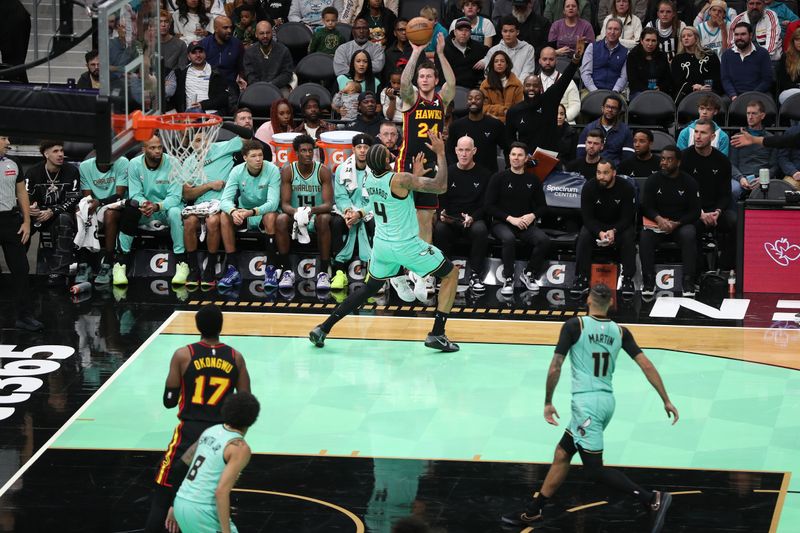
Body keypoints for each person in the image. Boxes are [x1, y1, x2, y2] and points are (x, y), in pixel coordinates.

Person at [501, 283, 678, 530]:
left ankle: (652, 499)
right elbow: (646, 365)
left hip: (587, 407)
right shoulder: (621, 331)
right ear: (611, 304)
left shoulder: (575, 325)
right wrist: (665, 399)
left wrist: (548, 401)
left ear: (588, 299)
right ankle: (534, 511)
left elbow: (555, 366)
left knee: (594, 470)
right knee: (563, 453)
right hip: (606, 402)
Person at [309, 132, 461, 352]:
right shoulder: (399, 179)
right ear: (388, 160)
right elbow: (441, 186)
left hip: (381, 246)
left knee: (370, 288)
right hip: (406, 245)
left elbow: (399, 193)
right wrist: (440, 153)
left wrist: (414, 175)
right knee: (450, 274)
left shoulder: (370, 180)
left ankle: (324, 327)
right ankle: (437, 333)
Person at [145, 304, 250, 533]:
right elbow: (244, 403)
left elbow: (169, 400)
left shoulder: (184, 355)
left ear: (197, 326)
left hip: (188, 432)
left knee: (163, 493)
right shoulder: (235, 357)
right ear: (221, 326)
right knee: (209, 491)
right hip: (220, 436)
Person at [397, 32, 456, 278]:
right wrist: (415, 52)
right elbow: (403, 83)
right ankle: (400, 270)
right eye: (421, 76)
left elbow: (452, 83)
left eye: (428, 76)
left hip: (432, 165)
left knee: (425, 221)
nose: (423, 79)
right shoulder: (411, 99)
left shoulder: (441, 100)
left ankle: (422, 273)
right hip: (408, 164)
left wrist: (441, 54)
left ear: (435, 79)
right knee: (402, 221)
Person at [182, 120, 257, 287]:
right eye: (198, 140)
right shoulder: (188, 162)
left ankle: (209, 266)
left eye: (205, 140)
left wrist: (223, 123)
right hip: (200, 204)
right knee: (189, 221)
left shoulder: (223, 148)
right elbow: (187, 194)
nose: (202, 144)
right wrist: (208, 185)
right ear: (191, 144)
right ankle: (193, 267)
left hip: (221, 202)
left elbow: (248, 135)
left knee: (213, 221)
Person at [171, 391, 260, 533]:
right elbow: (221, 492)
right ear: (253, 418)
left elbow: (180, 466)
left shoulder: (210, 431)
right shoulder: (240, 448)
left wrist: (173, 506)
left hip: (181, 502)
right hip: (202, 510)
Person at [115, 135, 189, 287]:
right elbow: (135, 194)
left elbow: (175, 197)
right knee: (129, 211)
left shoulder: (173, 163)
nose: (157, 151)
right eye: (152, 148)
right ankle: (120, 263)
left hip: (165, 209)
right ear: (144, 149)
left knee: (175, 212)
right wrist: (146, 205)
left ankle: (182, 262)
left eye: (159, 147)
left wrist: (156, 206)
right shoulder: (134, 164)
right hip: (146, 209)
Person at [485, 142, 551, 295]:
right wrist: (510, 218)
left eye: (520, 155)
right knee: (508, 238)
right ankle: (508, 278)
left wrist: (532, 215)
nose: (516, 158)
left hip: (524, 224)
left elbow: (543, 207)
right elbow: (488, 206)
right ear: (508, 157)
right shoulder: (498, 177)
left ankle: (528, 274)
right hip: (501, 223)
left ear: (526, 158)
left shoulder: (533, 180)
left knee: (544, 240)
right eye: (513, 154)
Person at [217, 139, 282, 288]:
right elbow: (225, 200)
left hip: (262, 213)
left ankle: (271, 269)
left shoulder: (272, 169)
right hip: (244, 212)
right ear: (245, 158)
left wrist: (252, 212)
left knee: (271, 215)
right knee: (224, 215)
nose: (258, 159)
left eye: (260, 155)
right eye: (253, 156)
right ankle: (232, 268)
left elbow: (273, 203)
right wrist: (233, 212)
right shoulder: (237, 171)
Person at [639, 145, 701, 297]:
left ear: (678, 162)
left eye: (669, 159)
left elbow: (695, 212)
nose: (664, 163)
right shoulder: (653, 180)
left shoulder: (689, 182)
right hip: (658, 225)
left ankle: (688, 281)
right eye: (663, 159)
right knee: (645, 236)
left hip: (680, 225)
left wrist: (677, 223)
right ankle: (648, 280)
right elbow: (646, 206)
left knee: (689, 233)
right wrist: (658, 219)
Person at [275, 134, 334, 290]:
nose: (308, 154)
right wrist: (296, 213)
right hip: (295, 216)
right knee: (280, 219)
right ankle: (287, 271)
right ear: (296, 152)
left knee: (323, 219)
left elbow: (328, 204)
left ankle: (323, 273)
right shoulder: (289, 171)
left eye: (310, 150)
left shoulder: (323, 171)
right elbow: (284, 204)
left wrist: (311, 210)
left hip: (316, 215)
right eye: (304, 151)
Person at [572, 158, 638, 296]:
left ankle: (627, 279)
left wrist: (614, 231)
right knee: (584, 235)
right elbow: (587, 218)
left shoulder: (626, 188)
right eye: (598, 173)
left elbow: (627, 218)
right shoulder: (589, 187)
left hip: (619, 226)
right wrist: (600, 232)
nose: (601, 177)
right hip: (596, 226)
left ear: (614, 173)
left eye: (605, 173)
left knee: (628, 235)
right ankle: (582, 278)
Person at [434, 136, 491, 292]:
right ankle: (443, 273)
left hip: (473, 218)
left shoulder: (485, 174)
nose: (464, 154)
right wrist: (442, 213)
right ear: (455, 151)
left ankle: (475, 275)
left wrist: (473, 217)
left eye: (467, 150)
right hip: (451, 219)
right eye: (461, 150)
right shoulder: (448, 172)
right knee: (439, 229)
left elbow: (486, 205)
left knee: (480, 230)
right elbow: (441, 200)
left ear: (474, 151)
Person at [680, 119, 737, 273]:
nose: (698, 136)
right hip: (693, 211)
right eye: (696, 132)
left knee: (736, 222)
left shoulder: (723, 161)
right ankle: (700, 272)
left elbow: (725, 194)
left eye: (703, 133)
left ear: (712, 137)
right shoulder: (683, 158)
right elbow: (681, 193)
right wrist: (700, 213)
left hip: (715, 210)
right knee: (692, 229)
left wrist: (717, 212)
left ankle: (724, 268)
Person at [507, 42, 583, 155]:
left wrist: (575, 59)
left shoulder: (549, 100)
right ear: (523, 87)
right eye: (528, 85)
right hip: (525, 160)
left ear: (540, 87)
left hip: (548, 157)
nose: (531, 88)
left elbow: (565, 79)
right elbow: (509, 139)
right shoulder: (514, 111)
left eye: (535, 86)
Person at [0, 135, 43, 331]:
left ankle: (24, 316)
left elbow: (21, 193)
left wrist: (26, 221)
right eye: (3, 139)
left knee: (21, 269)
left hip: (10, 221)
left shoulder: (14, 162)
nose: (8, 143)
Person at [25, 140, 80, 288]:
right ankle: (20, 269)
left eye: (61, 151)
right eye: (56, 151)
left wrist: (52, 211)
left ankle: (58, 271)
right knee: (19, 223)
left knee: (65, 220)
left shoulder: (71, 171)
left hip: (57, 214)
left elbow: (73, 199)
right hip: (37, 214)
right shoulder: (33, 172)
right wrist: (31, 208)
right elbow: (24, 196)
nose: (61, 154)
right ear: (46, 154)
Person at [330, 134, 376, 289]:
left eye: (366, 147)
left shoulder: (377, 170)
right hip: (348, 210)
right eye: (359, 147)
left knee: (375, 223)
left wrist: (360, 213)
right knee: (336, 222)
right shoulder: (342, 169)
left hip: (369, 210)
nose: (362, 151)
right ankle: (339, 273)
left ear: (370, 150)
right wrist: (348, 211)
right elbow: (340, 196)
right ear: (353, 149)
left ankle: (374, 271)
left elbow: (377, 199)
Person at [77, 155, 129, 285]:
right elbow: (87, 197)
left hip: (116, 205)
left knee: (109, 214)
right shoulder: (85, 166)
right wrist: (90, 206)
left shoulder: (122, 162)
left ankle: (108, 262)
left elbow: (119, 195)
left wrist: (99, 202)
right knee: (82, 211)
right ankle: (84, 263)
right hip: (95, 206)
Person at [447, 89, 507, 172]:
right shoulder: (456, 126)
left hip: (488, 175)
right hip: (464, 174)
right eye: (470, 98)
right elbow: (450, 151)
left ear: (484, 101)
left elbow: (507, 147)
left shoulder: (495, 125)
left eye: (477, 98)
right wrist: (455, 169)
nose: (473, 101)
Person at [729, 99, 778, 194]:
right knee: (733, 190)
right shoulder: (738, 137)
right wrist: (741, 178)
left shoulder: (770, 139)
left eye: (754, 113)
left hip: (763, 179)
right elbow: (731, 164)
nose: (750, 117)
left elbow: (775, 166)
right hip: (741, 178)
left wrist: (763, 178)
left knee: (772, 191)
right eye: (748, 113)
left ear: (762, 115)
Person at [720, 22, 774, 100]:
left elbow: (767, 80)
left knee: (767, 102)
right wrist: (733, 95)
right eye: (736, 34)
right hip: (734, 95)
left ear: (751, 35)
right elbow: (725, 79)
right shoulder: (726, 55)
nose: (739, 37)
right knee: (722, 103)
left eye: (743, 34)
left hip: (758, 93)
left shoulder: (762, 53)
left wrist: (752, 95)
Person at [173, 41, 230, 114]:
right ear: (188, 57)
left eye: (200, 52)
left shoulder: (216, 73)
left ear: (205, 54)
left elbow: (223, 98)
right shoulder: (181, 74)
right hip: (189, 116)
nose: (198, 55)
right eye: (194, 53)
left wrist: (202, 105)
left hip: (211, 114)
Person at [576, 94, 634, 165]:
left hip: (615, 170)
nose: (610, 110)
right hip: (592, 169)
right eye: (608, 107)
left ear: (619, 111)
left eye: (614, 108)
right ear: (602, 108)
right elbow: (580, 154)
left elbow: (627, 158)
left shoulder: (625, 131)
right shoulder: (589, 128)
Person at [671, 26, 722, 102]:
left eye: (689, 35)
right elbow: (677, 82)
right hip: (686, 95)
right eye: (683, 36)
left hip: (708, 93)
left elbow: (716, 76)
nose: (686, 38)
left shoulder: (709, 54)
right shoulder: (677, 59)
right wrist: (694, 87)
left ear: (696, 38)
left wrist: (703, 87)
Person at [242, 20, 294, 94]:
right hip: (256, 88)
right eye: (261, 33)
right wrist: (262, 87)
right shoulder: (249, 52)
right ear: (256, 34)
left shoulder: (283, 50)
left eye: (268, 33)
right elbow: (249, 74)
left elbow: (287, 73)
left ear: (272, 33)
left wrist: (271, 85)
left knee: (285, 101)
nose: (265, 36)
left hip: (279, 87)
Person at [580, 18, 629, 92]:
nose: (612, 32)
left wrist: (615, 91)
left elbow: (623, 77)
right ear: (605, 30)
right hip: (591, 90)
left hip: (614, 92)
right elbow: (585, 72)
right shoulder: (592, 47)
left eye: (616, 29)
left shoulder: (625, 52)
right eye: (609, 29)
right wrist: (594, 90)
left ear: (621, 32)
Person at [200, 16, 245, 97]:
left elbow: (242, 68)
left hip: (231, 86)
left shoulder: (237, 44)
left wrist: (241, 78)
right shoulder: (204, 44)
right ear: (216, 29)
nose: (229, 31)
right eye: (225, 28)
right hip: (208, 85)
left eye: (230, 27)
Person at [626, 27, 674, 99]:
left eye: (653, 41)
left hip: (659, 91)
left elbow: (667, 79)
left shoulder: (662, 56)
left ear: (657, 42)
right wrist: (648, 91)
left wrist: (660, 88)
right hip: (639, 92)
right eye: (647, 40)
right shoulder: (633, 56)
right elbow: (633, 81)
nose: (650, 44)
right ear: (642, 41)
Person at [442, 17, 489, 89]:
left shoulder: (477, 47)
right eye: (460, 30)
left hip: (472, 89)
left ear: (470, 33)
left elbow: (494, 53)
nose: (463, 33)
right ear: (454, 32)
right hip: (449, 87)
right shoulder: (443, 48)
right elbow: (440, 73)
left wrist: (485, 60)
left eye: (467, 30)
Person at [537, 46, 581, 123]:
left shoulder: (568, 81)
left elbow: (575, 105)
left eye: (551, 59)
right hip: (539, 123)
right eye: (544, 59)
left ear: (556, 61)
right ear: (539, 61)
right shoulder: (533, 83)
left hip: (564, 122)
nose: (548, 62)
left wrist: (563, 117)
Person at [479, 50, 524, 123]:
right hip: (491, 121)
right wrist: (502, 110)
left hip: (512, 121)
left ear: (507, 64)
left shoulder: (517, 84)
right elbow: (483, 107)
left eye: (502, 61)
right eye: (496, 61)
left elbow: (520, 107)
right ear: (492, 65)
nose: (499, 63)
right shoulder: (485, 85)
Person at [777, 26, 800, 104]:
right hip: (789, 91)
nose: (799, 42)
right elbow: (783, 83)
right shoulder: (786, 57)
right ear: (793, 41)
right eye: (797, 40)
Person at [383, 19, 411, 83]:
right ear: (395, 33)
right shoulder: (388, 53)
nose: (404, 32)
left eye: (406, 30)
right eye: (400, 30)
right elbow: (387, 77)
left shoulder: (416, 50)